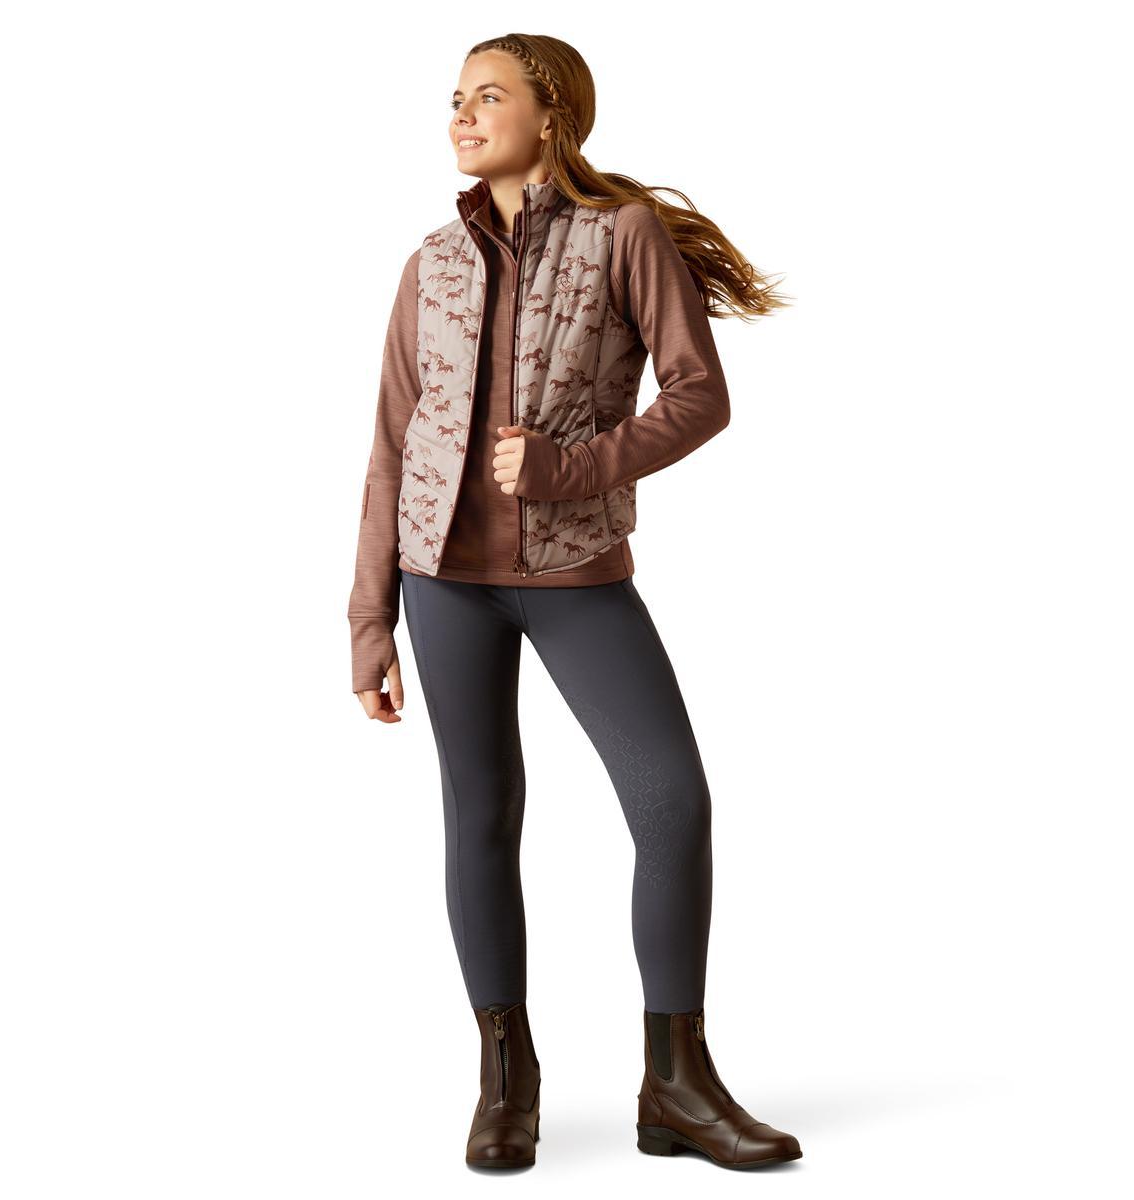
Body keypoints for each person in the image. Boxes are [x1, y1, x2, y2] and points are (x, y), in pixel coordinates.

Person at [347, 32, 800, 1172]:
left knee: (672, 803)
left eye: (487, 95)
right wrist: (369, 619)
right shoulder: (429, 263)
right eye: (455, 98)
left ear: (551, 115)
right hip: (441, 581)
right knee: (481, 818)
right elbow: (393, 445)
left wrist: (575, 467)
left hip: (573, 570)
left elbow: (700, 397)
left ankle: (676, 1084)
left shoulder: (622, 235)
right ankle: (507, 1081)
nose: (462, 114)